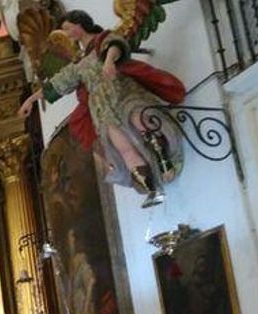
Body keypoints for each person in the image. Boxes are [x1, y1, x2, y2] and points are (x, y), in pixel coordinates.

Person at [18, 10, 185, 206]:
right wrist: (30, 100)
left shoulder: (102, 40)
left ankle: (165, 162)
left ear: (79, 24)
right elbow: (56, 85)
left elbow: (114, 45)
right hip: (102, 109)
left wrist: (108, 60)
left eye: (67, 28)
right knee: (123, 149)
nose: (67, 34)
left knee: (143, 123)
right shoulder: (78, 63)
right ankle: (152, 190)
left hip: (122, 92)